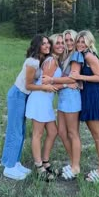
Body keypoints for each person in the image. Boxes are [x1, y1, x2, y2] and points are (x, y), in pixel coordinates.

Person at [1, 35, 56, 180]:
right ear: (37, 45)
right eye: (43, 44)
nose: (47, 46)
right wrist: (45, 87)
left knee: (21, 130)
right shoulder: (32, 62)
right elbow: (28, 85)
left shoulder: (40, 60)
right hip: (18, 95)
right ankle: (9, 167)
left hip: (23, 96)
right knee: (15, 130)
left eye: (48, 43)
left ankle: (14, 162)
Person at [25, 34, 68, 181]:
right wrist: (68, 83)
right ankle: (39, 166)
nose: (60, 45)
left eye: (63, 43)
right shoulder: (50, 61)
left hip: (46, 101)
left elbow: (51, 82)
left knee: (53, 131)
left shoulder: (54, 60)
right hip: (40, 99)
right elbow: (45, 82)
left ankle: (45, 161)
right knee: (37, 134)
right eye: (57, 43)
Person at [71, 30, 99, 182]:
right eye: (78, 41)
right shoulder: (82, 55)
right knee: (96, 136)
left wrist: (79, 77)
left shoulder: (89, 55)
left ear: (89, 43)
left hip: (95, 97)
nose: (80, 44)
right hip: (87, 97)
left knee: (98, 137)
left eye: (83, 42)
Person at [42, 30, 84, 180]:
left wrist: (52, 81)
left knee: (73, 133)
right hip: (63, 98)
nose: (69, 43)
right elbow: (68, 80)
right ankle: (73, 161)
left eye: (71, 40)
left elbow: (73, 78)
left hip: (72, 98)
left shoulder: (76, 55)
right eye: (66, 40)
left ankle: (76, 167)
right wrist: (65, 83)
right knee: (61, 132)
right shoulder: (64, 56)